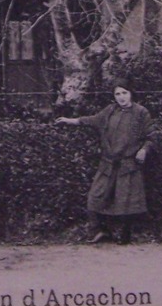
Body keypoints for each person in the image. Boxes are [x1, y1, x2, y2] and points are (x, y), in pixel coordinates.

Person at [55, 82, 151, 244]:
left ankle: (125, 235)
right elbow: (91, 120)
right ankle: (101, 231)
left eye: (124, 93)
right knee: (95, 196)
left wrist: (143, 150)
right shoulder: (110, 111)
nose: (121, 97)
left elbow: (151, 136)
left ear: (131, 93)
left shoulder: (141, 113)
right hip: (108, 163)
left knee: (125, 200)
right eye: (117, 94)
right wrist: (68, 120)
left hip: (128, 165)